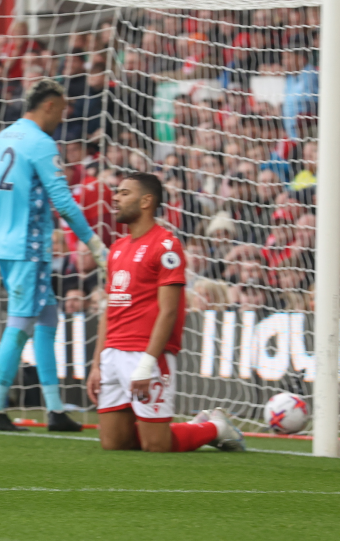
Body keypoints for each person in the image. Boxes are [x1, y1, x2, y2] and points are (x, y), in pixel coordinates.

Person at [0, 79, 107, 432]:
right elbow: (63, 202)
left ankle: (55, 410)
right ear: (49, 106)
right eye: (62, 108)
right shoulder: (41, 144)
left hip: (6, 247)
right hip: (29, 248)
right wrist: (95, 245)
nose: (64, 115)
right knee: (21, 322)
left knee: (47, 319)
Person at [86, 172, 245, 453]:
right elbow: (109, 310)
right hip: (113, 353)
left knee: (156, 445)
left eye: (124, 193)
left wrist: (147, 364)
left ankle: (215, 428)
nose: (116, 197)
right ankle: (181, 426)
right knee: (114, 443)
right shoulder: (118, 249)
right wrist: (97, 363)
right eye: (117, 192)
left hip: (145, 354)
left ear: (146, 201)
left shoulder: (166, 245)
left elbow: (170, 311)